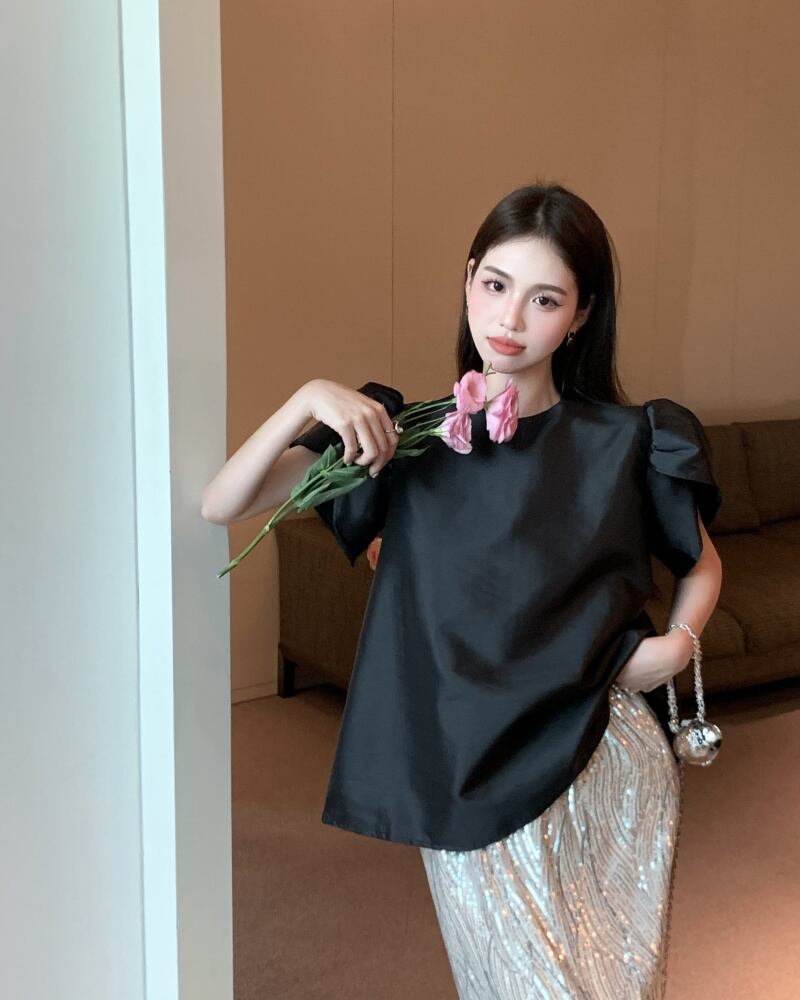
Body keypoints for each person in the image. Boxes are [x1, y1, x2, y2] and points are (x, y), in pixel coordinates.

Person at [202, 181, 724, 999]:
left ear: (581, 314)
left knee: (618, 986)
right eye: (495, 285)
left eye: (544, 298)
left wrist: (676, 646)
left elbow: (701, 562)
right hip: (461, 767)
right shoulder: (401, 441)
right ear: (468, 279)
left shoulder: (629, 440)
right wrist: (308, 397)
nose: (510, 319)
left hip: (600, 752)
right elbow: (223, 502)